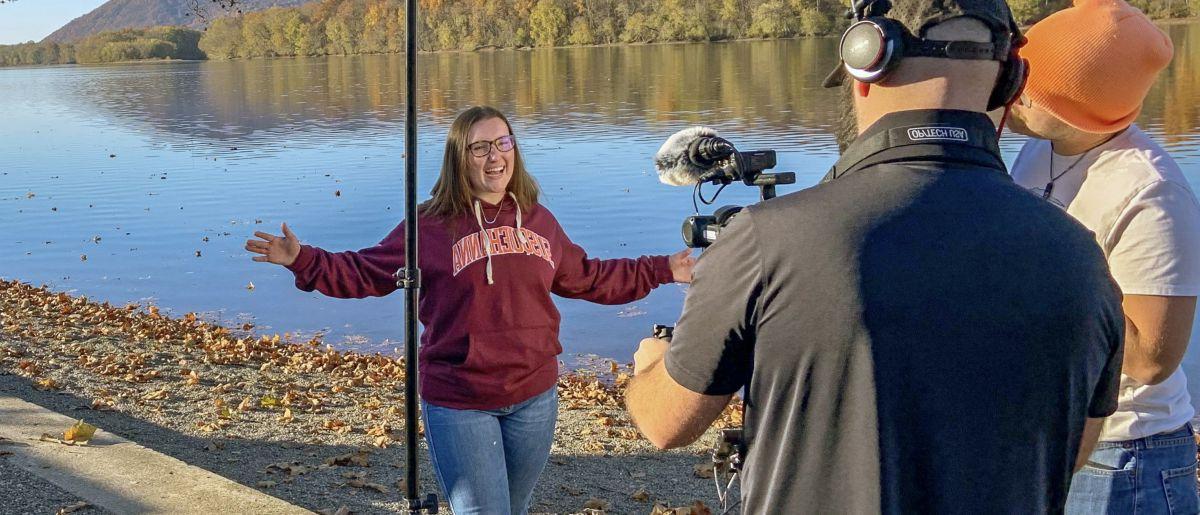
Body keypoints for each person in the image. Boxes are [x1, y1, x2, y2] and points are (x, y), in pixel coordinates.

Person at [624, 1, 1127, 512]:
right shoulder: (1080, 255)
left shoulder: (765, 240)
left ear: (861, 69)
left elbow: (665, 424)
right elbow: (1073, 448)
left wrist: (651, 367)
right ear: (1010, 82)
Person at [245, 105, 694, 515]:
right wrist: (301, 259)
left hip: (535, 397)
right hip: (461, 403)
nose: (494, 157)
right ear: (460, 158)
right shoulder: (429, 225)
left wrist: (663, 268)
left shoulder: (538, 220)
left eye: (503, 143)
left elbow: (588, 277)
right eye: (479, 148)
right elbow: (365, 271)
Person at [1006, 1, 1200, 512]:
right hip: (1051, 437)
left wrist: (1058, 266)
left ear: (1079, 105)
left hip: (1127, 457)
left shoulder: (1150, 190)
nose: (1013, 88)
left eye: (1031, 83)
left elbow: (1152, 360)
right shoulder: (1040, 147)